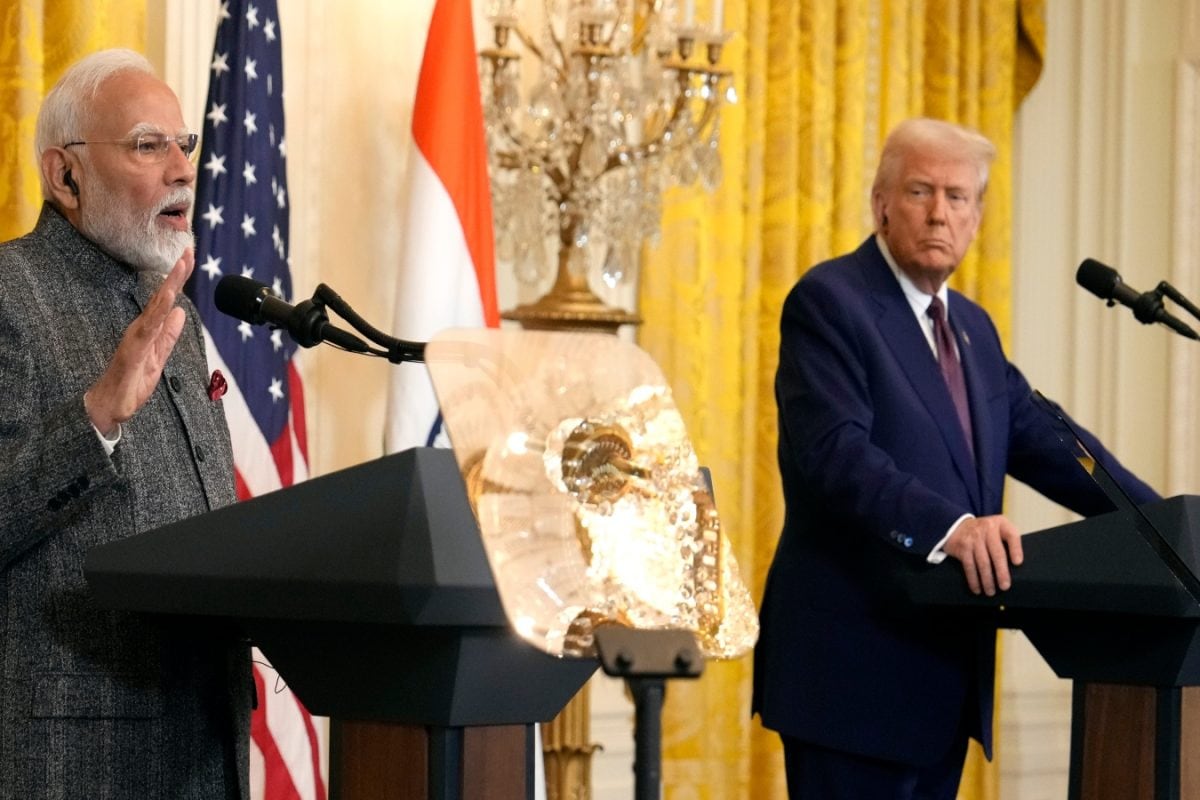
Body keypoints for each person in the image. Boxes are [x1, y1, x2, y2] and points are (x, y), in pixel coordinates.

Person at [751, 117, 1159, 799]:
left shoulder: (971, 328)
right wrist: (954, 528)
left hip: (942, 678)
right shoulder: (831, 303)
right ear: (881, 203)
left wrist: (1167, 529)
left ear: (976, 217)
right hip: (850, 677)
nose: (940, 212)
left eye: (958, 196)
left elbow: (1057, 446)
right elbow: (836, 456)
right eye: (920, 191)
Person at [0, 49, 251, 797]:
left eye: (185, 144)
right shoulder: (11, 297)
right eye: (149, 145)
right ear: (65, 174)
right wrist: (95, 418)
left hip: (208, 747)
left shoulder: (177, 315)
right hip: (74, 765)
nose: (181, 168)